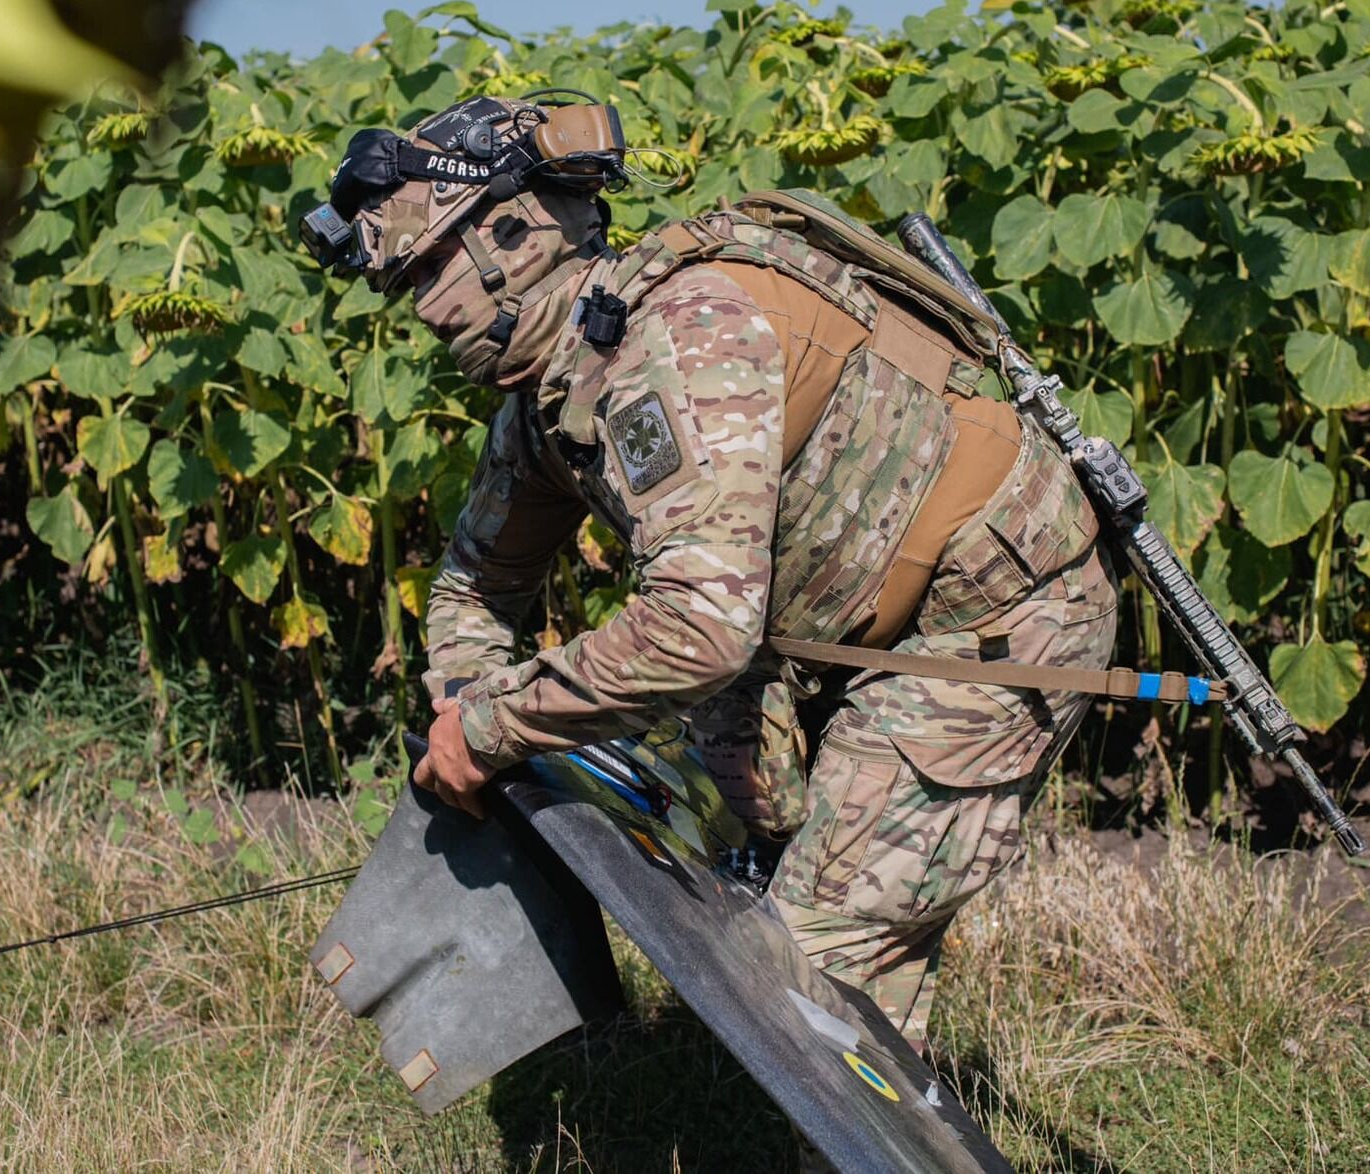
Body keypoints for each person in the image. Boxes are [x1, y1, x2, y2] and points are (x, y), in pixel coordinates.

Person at [304, 94, 1118, 1051]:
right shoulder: (556, 389)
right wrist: (465, 707)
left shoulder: (680, 340)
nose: (428, 310)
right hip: (822, 623)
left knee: (813, 966)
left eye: (433, 270)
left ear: (515, 237)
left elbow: (700, 629)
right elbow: (475, 587)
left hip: (989, 620)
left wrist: (490, 727)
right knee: (735, 825)